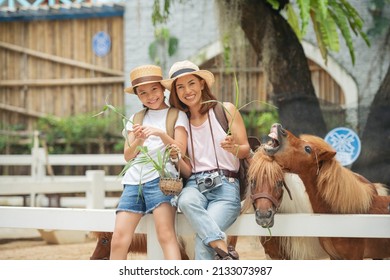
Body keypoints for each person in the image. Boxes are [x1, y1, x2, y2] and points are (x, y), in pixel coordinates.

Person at [162, 60, 250, 260]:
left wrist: (234, 148)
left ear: (202, 84)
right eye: (180, 87)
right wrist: (175, 158)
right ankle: (222, 247)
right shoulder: (180, 122)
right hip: (195, 183)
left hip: (226, 188)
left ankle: (216, 246)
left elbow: (245, 150)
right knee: (184, 200)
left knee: (203, 245)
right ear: (176, 92)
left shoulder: (225, 110)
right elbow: (187, 170)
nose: (187, 91)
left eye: (192, 83)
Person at [110, 64, 189, 260]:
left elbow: (181, 151)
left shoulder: (177, 115)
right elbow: (128, 156)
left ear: (163, 89)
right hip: (133, 182)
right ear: (137, 96)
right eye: (143, 92)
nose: (150, 96)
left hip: (161, 182)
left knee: (165, 235)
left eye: (154, 89)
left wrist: (161, 134)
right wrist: (140, 139)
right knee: (119, 238)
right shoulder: (135, 118)